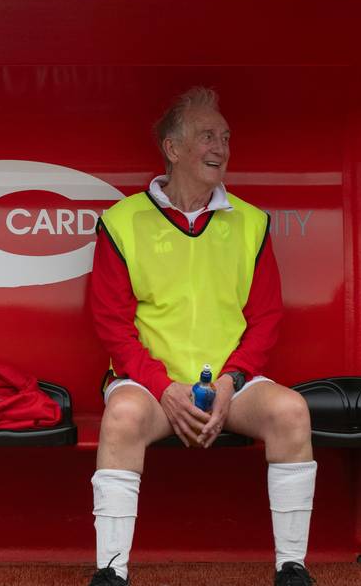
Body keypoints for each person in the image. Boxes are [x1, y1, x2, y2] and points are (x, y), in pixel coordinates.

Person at [86, 87, 316, 586]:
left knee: (291, 410)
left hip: (230, 386)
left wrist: (232, 381)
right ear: (173, 148)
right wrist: (165, 388)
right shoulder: (122, 221)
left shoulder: (251, 222)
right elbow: (112, 324)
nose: (221, 148)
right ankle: (111, 572)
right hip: (151, 387)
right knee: (122, 417)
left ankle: (292, 567)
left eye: (226, 137)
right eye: (208, 136)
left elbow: (266, 319)